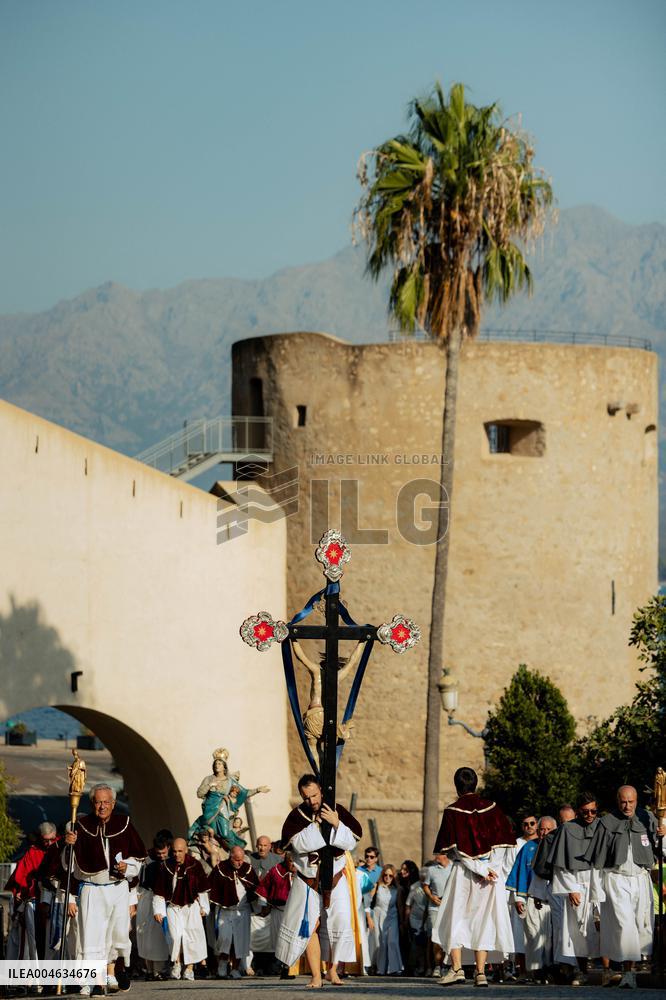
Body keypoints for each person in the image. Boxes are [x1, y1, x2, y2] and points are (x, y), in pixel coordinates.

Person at [274, 773, 362, 987]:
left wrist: (336, 823)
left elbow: (352, 841)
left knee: (338, 922)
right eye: (306, 797)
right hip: (308, 880)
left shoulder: (336, 810)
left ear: (321, 791)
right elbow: (297, 845)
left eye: (314, 795)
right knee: (309, 927)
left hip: (335, 877)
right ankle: (316, 975)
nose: (311, 801)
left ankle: (332, 971)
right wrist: (318, 826)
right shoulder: (296, 817)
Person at [432, 766, 515, 988]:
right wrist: (490, 869)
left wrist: (479, 868)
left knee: (455, 918)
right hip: (490, 876)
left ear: (456, 786)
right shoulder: (494, 809)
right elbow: (504, 846)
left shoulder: (452, 811)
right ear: (475, 783)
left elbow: (458, 851)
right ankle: (480, 973)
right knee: (484, 922)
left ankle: (457, 969)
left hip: (464, 874)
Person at [63, 783, 146, 995]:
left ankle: (111, 973)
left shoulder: (124, 823)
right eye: (98, 802)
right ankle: (95, 981)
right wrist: (69, 845)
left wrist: (128, 866)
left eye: (106, 802)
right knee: (92, 935)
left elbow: (138, 858)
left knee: (116, 934)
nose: (102, 806)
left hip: (118, 888)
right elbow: (68, 865)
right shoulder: (81, 825)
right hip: (92, 889)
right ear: (92, 803)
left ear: (113, 803)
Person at [584, 784, 666, 990]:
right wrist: (596, 891)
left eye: (631, 801)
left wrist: (663, 833)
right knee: (625, 924)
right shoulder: (607, 822)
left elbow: (661, 849)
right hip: (616, 880)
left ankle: (634, 968)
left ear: (637, 801)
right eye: (623, 801)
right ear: (617, 800)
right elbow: (598, 860)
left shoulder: (647, 818)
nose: (627, 806)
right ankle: (628, 974)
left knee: (639, 925)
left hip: (640, 878)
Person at [546, 793, 602, 986]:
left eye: (593, 811)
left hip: (599, 880)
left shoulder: (603, 827)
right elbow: (561, 864)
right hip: (577, 882)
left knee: (603, 924)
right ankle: (581, 971)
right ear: (579, 811)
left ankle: (609, 970)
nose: (589, 815)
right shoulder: (568, 830)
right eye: (585, 811)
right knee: (577, 929)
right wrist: (570, 888)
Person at [188, 748, 269, 850]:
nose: (217, 765)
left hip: (222, 809)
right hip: (209, 809)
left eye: (219, 764)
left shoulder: (230, 781)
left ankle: (235, 849)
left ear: (224, 767)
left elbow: (244, 792)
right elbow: (199, 794)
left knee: (225, 834)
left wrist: (257, 790)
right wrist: (209, 785)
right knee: (211, 831)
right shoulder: (208, 779)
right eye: (215, 764)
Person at [507, 816, 557, 982]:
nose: (544, 833)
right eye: (541, 829)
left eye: (548, 829)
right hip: (533, 900)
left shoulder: (559, 847)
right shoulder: (528, 848)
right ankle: (536, 971)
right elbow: (519, 873)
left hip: (555, 901)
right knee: (533, 937)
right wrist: (519, 898)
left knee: (551, 940)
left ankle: (552, 970)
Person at [152, 837, 209, 981]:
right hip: (173, 907)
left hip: (191, 907)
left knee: (192, 937)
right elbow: (159, 890)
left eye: (180, 851)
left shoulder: (195, 865)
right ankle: (177, 963)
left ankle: (189, 968)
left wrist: (204, 907)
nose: (177, 854)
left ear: (186, 850)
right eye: (175, 851)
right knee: (174, 936)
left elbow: (202, 889)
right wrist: (158, 910)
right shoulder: (166, 866)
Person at [5, 822, 59, 961]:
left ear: (55, 835)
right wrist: (21, 891)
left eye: (51, 839)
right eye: (45, 840)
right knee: (33, 938)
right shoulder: (33, 851)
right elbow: (22, 875)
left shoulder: (61, 846)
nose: (48, 843)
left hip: (57, 897)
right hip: (35, 897)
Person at [208, 844, 259, 979]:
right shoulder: (220, 869)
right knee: (224, 939)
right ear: (230, 857)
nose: (240, 862)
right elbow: (211, 888)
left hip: (242, 911)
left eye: (242, 859)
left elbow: (256, 887)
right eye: (237, 859)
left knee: (239, 941)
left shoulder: (248, 869)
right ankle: (223, 965)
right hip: (225, 910)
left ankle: (235, 968)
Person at [136, 830, 172, 980]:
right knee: (145, 935)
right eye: (159, 853)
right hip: (147, 899)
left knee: (158, 937)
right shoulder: (148, 863)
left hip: (162, 902)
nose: (162, 856)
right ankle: (150, 970)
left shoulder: (171, 863)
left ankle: (158, 970)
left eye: (164, 853)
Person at [256, 853, 297, 979]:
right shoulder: (275, 871)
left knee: (293, 940)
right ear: (285, 861)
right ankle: (282, 967)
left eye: (295, 861)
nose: (293, 864)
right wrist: (264, 907)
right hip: (279, 910)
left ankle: (289, 967)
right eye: (291, 861)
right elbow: (264, 888)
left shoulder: (302, 872)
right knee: (280, 940)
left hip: (295, 911)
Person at [248, 834, 283, 972]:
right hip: (254, 907)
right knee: (253, 938)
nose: (262, 848)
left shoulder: (278, 861)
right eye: (260, 845)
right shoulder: (250, 860)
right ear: (256, 846)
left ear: (270, 847)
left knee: (273, 938)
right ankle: (255, 964)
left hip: (272, 906)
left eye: (265, 845)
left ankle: (274, 966)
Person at [367, 864, 403, 975]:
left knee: (392, 941)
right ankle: (380, 968)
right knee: (380, 943)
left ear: (394, 877)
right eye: (385, 875)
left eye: (390, 876)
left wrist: (402, 922)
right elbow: (367, 903)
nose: (387, 877)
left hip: (392, 916)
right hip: (377, 915)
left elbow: (400, 906)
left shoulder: (397, 889)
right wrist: (369, 918)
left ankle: (395, 968)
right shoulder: (376, 886)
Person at [422, 852, 452, 978]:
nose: (434, 856)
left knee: (448, 937)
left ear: (444, 855)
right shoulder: (431, 870)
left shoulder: (453, 867)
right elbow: (425, 886)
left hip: (449, 907)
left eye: (437, 853)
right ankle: (437, 966)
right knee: (435, 938)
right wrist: (431, 897)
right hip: (435, 907)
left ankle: (446, 966)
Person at [405, 868, 429, 976]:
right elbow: (408, 904)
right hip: (415, 920)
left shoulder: (432, 886)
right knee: (416, 944)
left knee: (426, 945)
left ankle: (426, 967)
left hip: (428, 919)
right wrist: (406, 920)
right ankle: (416, 967)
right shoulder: (414, 886)